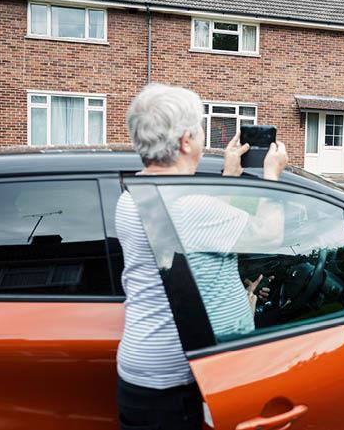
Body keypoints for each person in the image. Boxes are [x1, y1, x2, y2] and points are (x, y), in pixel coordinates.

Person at [115, 83, 288, 430]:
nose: (201, 138)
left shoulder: (134, 196)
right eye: (198, 130)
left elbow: (192, 229)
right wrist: (272, 177)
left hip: (148, 372)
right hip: (175, 383)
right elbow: (270, 235)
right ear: (184, 141)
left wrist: (229, 176)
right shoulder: (190, 208)